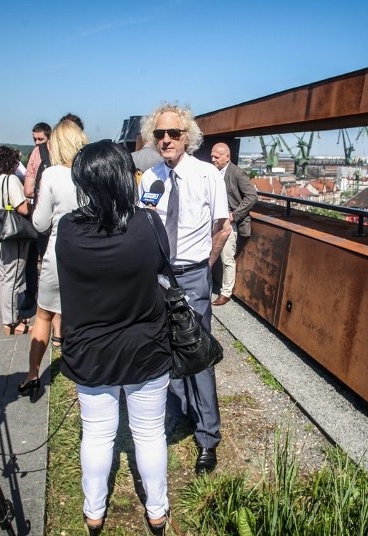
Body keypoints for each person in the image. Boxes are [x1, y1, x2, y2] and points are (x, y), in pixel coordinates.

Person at [56, 139, 173, 535]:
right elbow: (162, 265)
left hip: (90, 350)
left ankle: (94, 511)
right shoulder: (148, 223)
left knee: (97, 434)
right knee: (149, 433)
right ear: (126, 178)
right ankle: (157, 511)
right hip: (147, 344)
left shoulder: (68, 230)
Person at [138, 103, 231, 475]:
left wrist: (203, 267)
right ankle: (180, 413)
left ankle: (208, 436)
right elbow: (143, 226)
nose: (165, 139)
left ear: (187, 137)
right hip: (159, 276)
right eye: (159, 133)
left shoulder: (208, 175)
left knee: (197, 354)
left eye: (173, 133)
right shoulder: (149, 179)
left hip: (193, 273)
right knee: (165, 351)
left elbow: (222, 227)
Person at [18, 120, 87, 400]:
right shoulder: (91, 172)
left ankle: (33, 373)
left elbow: (40, 222)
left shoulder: (52, 175)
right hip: (88, 252)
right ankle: (83, 367)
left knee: (44, 314)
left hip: (59, 253)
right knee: (84, 315)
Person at [0, 145, 31, 335]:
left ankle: (10, 317)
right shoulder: (11, 180)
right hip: (11, 234)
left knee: (4, 276)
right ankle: (11, 322)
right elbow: (23, 209)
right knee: (13, 278)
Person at [210, 142, 258, 306]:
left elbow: (252, 196)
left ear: (227, 157)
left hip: (229, 223)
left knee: (226, 258)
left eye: (216, 157)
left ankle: (226, 293)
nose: (213, 160)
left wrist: (234, 215)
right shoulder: (214, 172)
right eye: (212, 156)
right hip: (215, 220)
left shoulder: (236, 173)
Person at [21, 121, 53, 313]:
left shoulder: (37, 154)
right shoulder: (64, 153)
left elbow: (27, 190)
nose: (36, 143)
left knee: (37, 258)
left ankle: (36, 300)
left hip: (41, 214)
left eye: (40, 139)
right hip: (63, 217)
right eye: (35, 139)